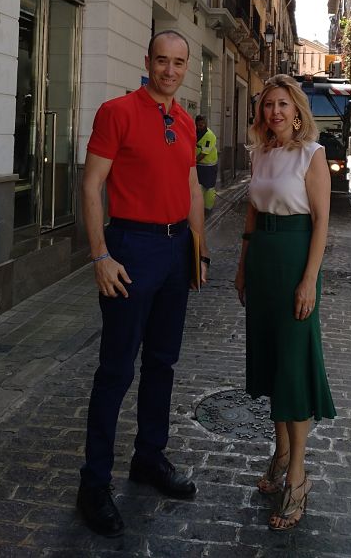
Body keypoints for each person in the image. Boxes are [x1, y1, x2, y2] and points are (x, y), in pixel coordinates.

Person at [78, 30, 210, 537]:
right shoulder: (117, 112)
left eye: (179, 63)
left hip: (177, 252)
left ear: (186, 67)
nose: (170, 71)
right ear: (148, 61)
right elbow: (91, 184)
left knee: (162, 362)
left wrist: (197, 249)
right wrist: (100, 255)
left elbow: (192, 185)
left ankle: (149, 458)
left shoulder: (183, 119)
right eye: (162, 60)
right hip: (130, 248)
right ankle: (94, 482)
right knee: (115, 369)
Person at [234, 74, 335, 532]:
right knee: (273, 362)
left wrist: (309, 280)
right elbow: (252, 215)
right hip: (262, 264)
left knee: (294, 365)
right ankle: (279, 455)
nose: (275, 112)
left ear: (298, 111)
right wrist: (241, 266)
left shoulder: (312, 156)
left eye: (283, 105)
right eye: (268, 105)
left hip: (295, 260)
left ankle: (298, 476)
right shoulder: (260, 154)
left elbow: (320, 224)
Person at [195, 114, 218, 216]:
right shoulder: (195, 132)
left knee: (208, 188)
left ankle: (208, 208)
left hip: (209, 166)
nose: (200, 127)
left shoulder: (209, 136)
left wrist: (192, 161)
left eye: (202, 125)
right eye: (198, 125)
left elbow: (204, 153)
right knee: (199, 187)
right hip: (198, 165)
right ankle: (199, 207)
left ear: (205, 124)